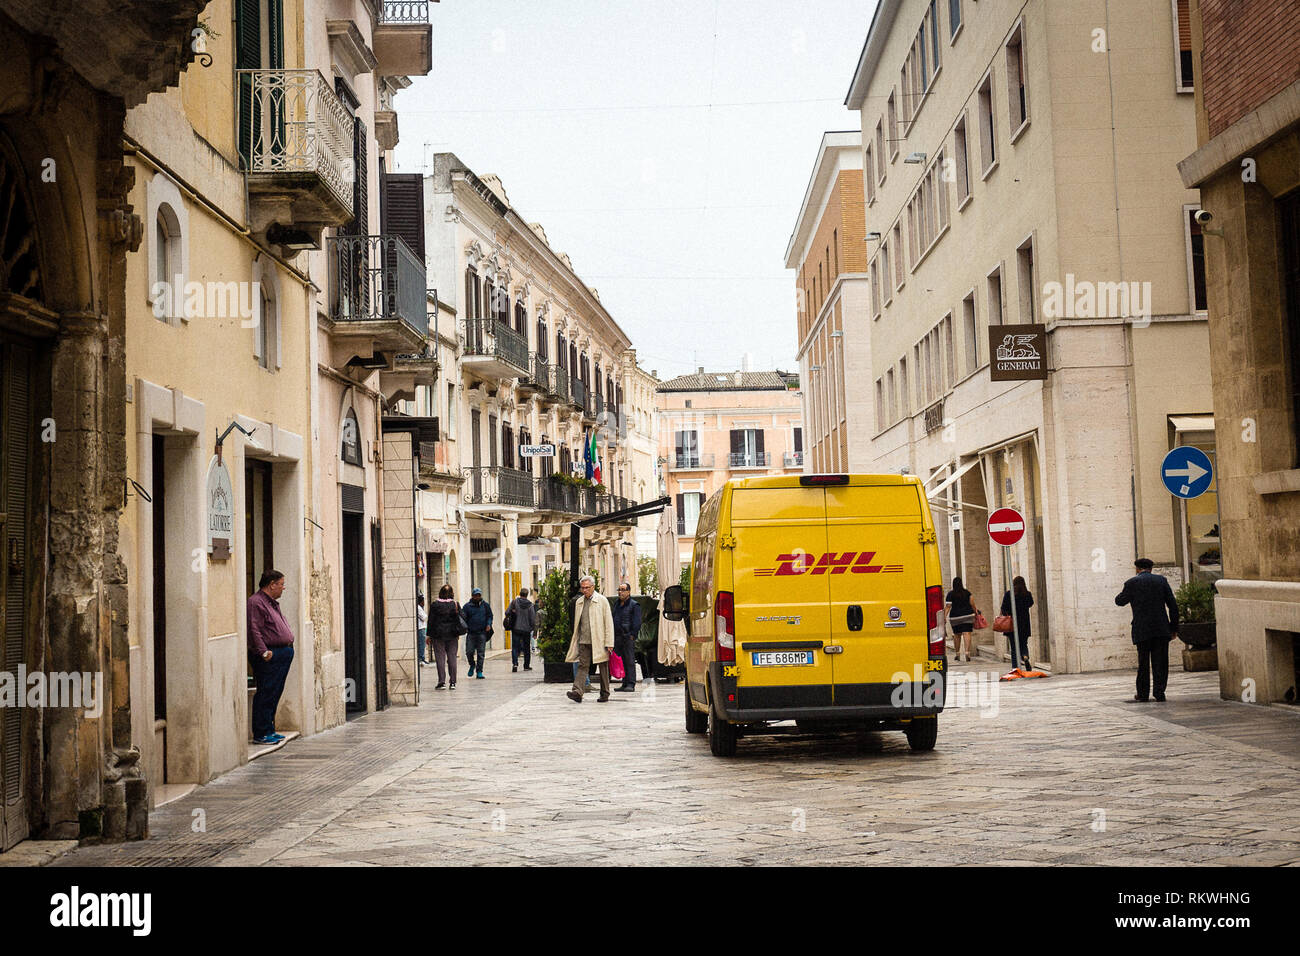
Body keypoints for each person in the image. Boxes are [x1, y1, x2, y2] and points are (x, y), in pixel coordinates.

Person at [1115, 558, 1180, 702]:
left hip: (1142, 629)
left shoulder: (1132, 583)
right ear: (1151, 569)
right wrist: (1174, 628)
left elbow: (1119, 601)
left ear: (1137, 569)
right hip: (1161, 629)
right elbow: (1173, 606)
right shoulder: (1161, 581)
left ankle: (1143, 694)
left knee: (1143, 663)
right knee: (1161, 663)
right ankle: (1159, 693)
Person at [247, 570, 295, 745]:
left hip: (282, 652)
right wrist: (264, 652)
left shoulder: (271, 603)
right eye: (281, 584)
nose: (283, 587)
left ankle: (269, 729)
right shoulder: (256, 603)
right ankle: (261, 733)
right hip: (270, 655)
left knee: (275, 692)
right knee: (266, 692)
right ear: (272, 584)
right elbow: (254, 629)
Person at [565, 575, 615, 703]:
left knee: (603, 667)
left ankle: (605, 693)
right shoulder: (579, 602)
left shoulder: (602, 601)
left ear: (593, 587)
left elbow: (608, 622)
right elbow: (578, 622)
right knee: (582, 666)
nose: (585, 590)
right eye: (583, 588)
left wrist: (609, 642)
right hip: (584, 640)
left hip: (600, 640)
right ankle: (577, 691)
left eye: (587, 588)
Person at [428, 584, 465, 689]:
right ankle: (453, 682)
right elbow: (463, 617)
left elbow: (431, 621)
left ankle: (441, 681)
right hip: (453, 635)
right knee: (452, 657)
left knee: (440, 658)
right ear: (452, 593)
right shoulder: (455, 604)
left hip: (438, 635)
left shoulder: (435, 604)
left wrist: (428, 635)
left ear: (440, 593)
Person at [611, 582, 643, 692]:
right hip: (618, 637)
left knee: (629, 660)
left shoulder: (634, 605)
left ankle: (631, 683)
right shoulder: (616, 604)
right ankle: (624, 683)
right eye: (619, 589)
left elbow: (637, 622)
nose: (620, 592)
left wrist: (632, 635)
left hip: (628, 637)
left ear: (629, 592)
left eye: (623, 590)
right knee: (621, 661)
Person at [999, 575, 1035, 670]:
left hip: (1012, 624)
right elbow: (1031, 603)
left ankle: (1015, 667)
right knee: (1023, 643)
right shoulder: (1027, 594)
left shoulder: (1009, 594)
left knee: (1014, 647)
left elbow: (1003, 608)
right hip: (1024, 623)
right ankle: (1025, 656)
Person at [462, 587, 493, 679]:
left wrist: (489, 624)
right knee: (469, 652)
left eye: (479, 595)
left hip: (482, 633)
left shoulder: (485, 605)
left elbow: (490, 616)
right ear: (472, 596)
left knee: (481, 653)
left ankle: (479, 671)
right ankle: (472, 664)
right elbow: (463, 618)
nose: (477, 597)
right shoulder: (467, 606)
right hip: (471, 633)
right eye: (476, 595)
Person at [945, 576, 978, 662]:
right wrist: (976, 612)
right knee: (967, 633)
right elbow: (972, 604)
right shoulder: (967, 593)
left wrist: (944, 617)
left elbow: (948, 607)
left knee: (957, 635)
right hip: (967, 615)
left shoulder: (950, 594)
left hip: (955, 617)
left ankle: (957, 653)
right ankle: (967, 652)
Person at [506, 588, 538, 672]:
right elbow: (532, 618)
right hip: (526, 630)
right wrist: (533, 629)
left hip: (516, 628)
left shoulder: (514, 602)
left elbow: (507, 612)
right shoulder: (530, 605)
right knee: (526, 647)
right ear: (527, 595)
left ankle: (515, 663)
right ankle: (526, 665)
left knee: (515, 647)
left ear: (520, 594)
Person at [416, 592, 428, 665]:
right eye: (423, 601)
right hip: (421, 628)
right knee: (421, 644)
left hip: (422, 627)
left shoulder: (420, 608)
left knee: (422, 643)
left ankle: (422, 658)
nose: (424, 603)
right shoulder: (418, 608)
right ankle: (421, 658)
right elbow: (424, 617)